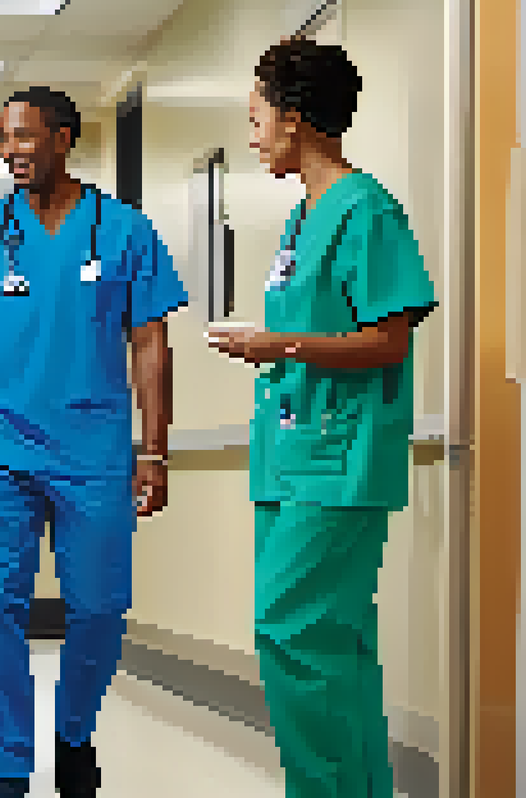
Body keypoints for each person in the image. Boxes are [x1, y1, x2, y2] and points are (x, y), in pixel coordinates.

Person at [0, 86, 189, 798]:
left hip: (94, 453)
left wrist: (154, 448)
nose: (11, 151)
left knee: (101, 609)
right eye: (4, 138)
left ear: (65, 138)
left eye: (25, 137)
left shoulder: (126, 233)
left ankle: (73, 731)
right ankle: (5, 769)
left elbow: (150, 344)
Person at [206, 38, 437, 798]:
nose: (252, 137)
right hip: (291, 457)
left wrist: (278, 342)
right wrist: (273, 349)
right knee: (333, 646)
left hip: (338, 462)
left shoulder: (365, 210)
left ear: (294, 119)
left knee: (292, 634)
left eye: (257, 120)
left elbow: (386, 337)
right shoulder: (302, 219)